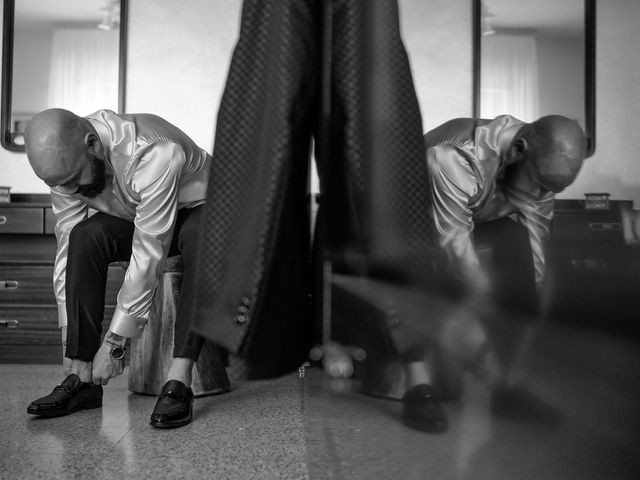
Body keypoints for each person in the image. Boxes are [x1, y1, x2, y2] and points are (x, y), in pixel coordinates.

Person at [24, 108, 229, 428]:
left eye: (75, 180)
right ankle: (82, 381)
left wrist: (116, 343)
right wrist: (70, 337)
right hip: (143, 215)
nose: (72, 191)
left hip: (203, 210)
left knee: (200, 236)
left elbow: (150, 250)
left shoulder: (152, 153)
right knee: (85, 235)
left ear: (93, 144)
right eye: (62, 186)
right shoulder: (66, 169)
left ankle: (180, 378)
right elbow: (66, 246)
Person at [415, 113, 586, 426]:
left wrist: (522, 309)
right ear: (519, 150)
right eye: (539, 185)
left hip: (479, 210)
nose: (540, 196)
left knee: (524, 286)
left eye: (551, 189)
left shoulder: (542, 173)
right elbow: (454, 249)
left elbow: (536, 245)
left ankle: (507, 389)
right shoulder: (455, 158)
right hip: (414, 215)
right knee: (440, 275)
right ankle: (418, 385)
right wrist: (483, 330)